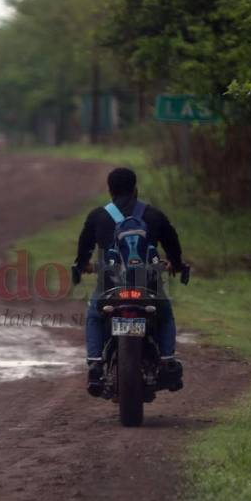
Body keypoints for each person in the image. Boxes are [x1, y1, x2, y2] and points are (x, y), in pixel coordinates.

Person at [74, 167, 184, 395]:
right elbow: (172, 243)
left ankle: (95, 362)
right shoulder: (153, 215)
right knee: (164, 314)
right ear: (135, 189)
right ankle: (167, 360)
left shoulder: (99, 216)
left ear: (110, 190)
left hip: (110, 285)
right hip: (149, 286)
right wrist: (176, 264)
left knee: (95, 315)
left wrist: (82, 265)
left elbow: (84, 248)